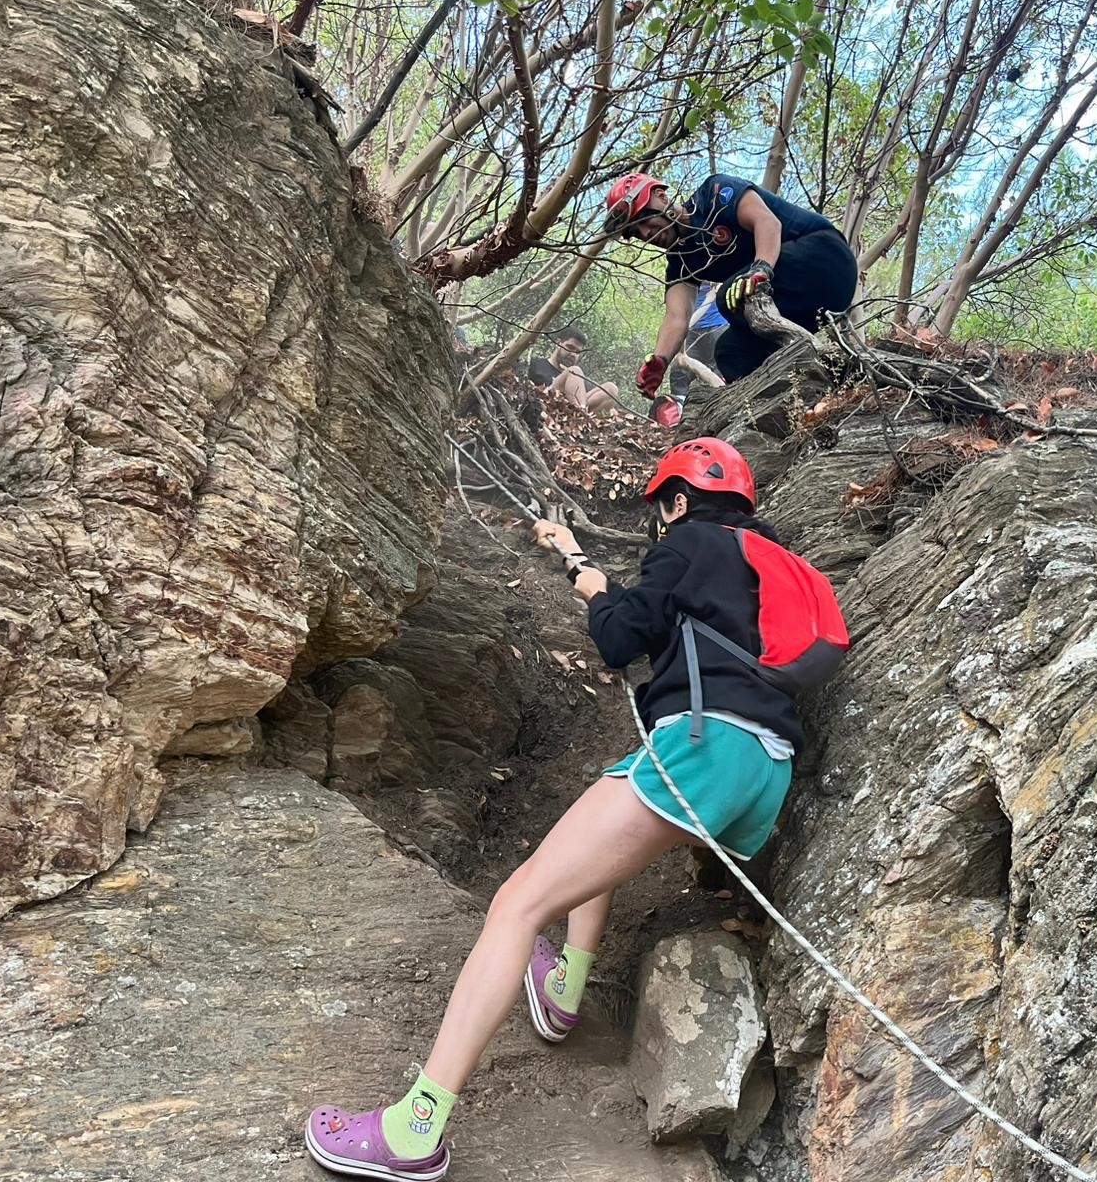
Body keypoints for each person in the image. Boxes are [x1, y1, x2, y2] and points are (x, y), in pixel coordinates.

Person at [303, 439, 803, 1182]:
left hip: (703, 747)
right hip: (767, 770)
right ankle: (564, 990)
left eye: (662, 510)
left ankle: (416, 1128)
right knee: (601, 819)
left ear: (676, 501)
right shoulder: (779, 565)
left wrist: (591, 583)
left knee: (514, 905)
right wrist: (585, 566)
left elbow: (617, 639)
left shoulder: (690, 541)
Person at [604, 172, 858, 401]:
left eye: (644, 220)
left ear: (661, 196)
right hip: (808, 308)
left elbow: (767, 223)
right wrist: (659, 362)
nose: (646, 234)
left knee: (730, 295)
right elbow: (676, 317)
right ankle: (798, 404)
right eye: (636, 232)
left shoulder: (715, 194)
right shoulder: (680, 261)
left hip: (828, 258)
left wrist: (761, 269)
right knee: (730, 355)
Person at [649, 282, 728, 428]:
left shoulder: (721, 267)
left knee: (722, 365)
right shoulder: (687, 274)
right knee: (679, 371)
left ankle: (721, 412)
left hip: (720, 325)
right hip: (692, 328)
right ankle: (676, 415)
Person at [528, 326, 620, 414]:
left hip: (571, 418)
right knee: (574, 371)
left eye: (577, 352)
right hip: (544, 409)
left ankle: (580, 418)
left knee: (611, 389)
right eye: (570, 347)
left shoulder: (582, 382)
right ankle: (581, 414)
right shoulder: (535, 364)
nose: (573, 354)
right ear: (558, 343)